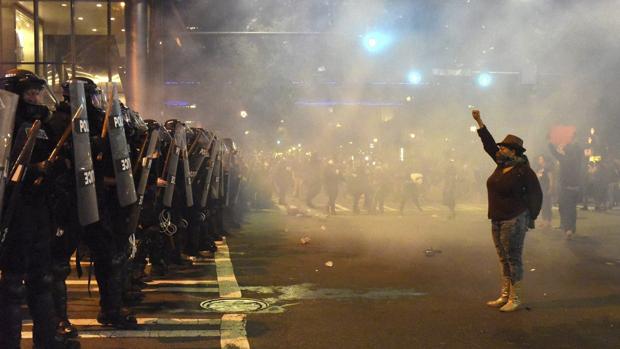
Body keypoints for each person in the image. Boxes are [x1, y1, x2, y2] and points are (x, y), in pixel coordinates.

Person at [0, 69, 75, 348]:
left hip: (40, 211)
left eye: (36, 92)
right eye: (29, 92)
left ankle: (47, 340)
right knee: (12, 285)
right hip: (14, 213)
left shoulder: (45, 126)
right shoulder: (4, 125)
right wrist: (32, 171)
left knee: (42, 279)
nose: (35, 98)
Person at [472, 109, 542, 312]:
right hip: (497, 218)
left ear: (513, 151)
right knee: (503, 258)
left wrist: (531, 217)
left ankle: (516, 297)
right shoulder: (501, 165)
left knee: (513, 258)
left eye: (504, 148)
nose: (499, 150)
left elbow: (536, 194)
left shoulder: (523, 171)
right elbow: (488, 145)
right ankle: (505, 295)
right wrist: (480, 122)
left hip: (514, 219)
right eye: (500, 147)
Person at [548, 139, 583, 239]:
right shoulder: (577, 159)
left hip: (566, 188)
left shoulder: (564, 159)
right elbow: (578, 150)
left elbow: (554, 152)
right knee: (572, 209)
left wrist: (550, 141)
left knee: (564, 208)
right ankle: (571, 228)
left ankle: (568, 229)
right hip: (575, 188)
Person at [535, 155, 553, 227]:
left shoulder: (547, 168)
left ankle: (548, 221)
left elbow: (551, 178)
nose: (539, 160)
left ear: (544, 160)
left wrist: (551, 187)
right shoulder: (539, 168)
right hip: (541, 188)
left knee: (547, 204)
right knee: (542, 204)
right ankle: (543, 220)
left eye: (540, 159)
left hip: (546, 188)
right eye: (539, 159)